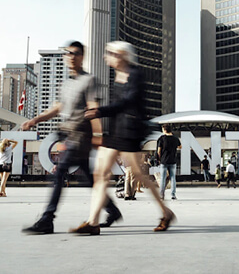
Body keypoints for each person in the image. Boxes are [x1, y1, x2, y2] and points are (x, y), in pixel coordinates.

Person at [69, 41, 175, 235]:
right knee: (100, 174)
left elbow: (128, 102)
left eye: (110, 53)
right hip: (115, 132)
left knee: (141, 176)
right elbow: (119, 107)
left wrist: (99, 111)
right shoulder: (117, 76)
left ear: (121, 55)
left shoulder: (135, 75)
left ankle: (166, 212)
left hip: (130, 133)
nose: (105, 56)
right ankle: (93, 222)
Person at [21, 41, 121, 234]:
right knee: (88, 179)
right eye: (68, 53)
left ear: (82, 57)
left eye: (75, 53)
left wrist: (98, 136)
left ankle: (47, 219)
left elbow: (93, 108)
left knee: (59, 173)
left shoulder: (88, 80)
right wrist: (36, 120)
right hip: (67, 135)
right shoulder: (66, 83)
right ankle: (113, 210)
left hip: (80, 136)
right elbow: (57, 108)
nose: (71, 56)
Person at [157, 124, 182, 200]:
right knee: (173, 178)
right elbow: (180, 147)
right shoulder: (175, 138)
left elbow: (159, 151)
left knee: (163, 178)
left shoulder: (162, 138)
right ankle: (173, 195)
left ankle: (161, 195)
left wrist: (159, 159)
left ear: (164, 130)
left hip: (164, 161)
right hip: (173, 160)